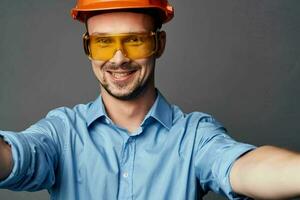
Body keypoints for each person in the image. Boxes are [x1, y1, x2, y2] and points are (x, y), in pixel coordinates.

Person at [0, 0, 299, 199]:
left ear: (159, 44)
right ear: (88, 47)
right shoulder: (62, 131)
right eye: (104, 42)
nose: (119, 58)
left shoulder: (193, 136)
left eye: (134, 40)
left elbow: (245, 166)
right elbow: (18, 156)